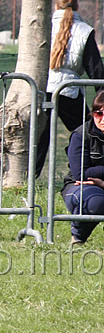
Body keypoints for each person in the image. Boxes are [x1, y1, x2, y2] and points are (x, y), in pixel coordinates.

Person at [35, 0, 104, 178]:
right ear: (78, 6)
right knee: (89, 132)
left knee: (40, 138)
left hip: (42, 89)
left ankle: (28, 180)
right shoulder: (85, 31)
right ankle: (83, 170)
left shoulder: (43, 26)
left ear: (56, 5)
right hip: (70, 92)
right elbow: (96, 69)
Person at [62, 90, 104, 246]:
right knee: (96, 201)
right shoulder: (81, 134)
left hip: (99, 183)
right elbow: (81, 173)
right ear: (92, 114)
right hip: (79, 186)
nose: (103, 119)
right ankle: (78, 237)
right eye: (99, 113)